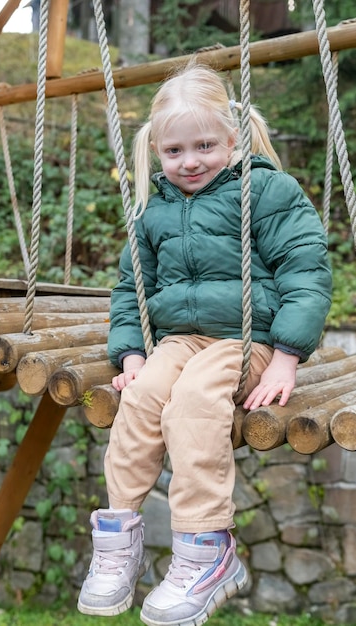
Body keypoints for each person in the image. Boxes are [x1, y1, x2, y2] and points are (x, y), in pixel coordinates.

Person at [77, 62, 332, 626]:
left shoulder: (264, 190)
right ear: (157, 153)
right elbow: (130, 290)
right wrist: (132, 355)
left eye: (205, 145)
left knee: (193, 401)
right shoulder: (154, 209)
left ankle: (207, 548)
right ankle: (118, 537)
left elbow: (306, 270)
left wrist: (286, 356)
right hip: (179, 339)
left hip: (249, 339)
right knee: (142, 398)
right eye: (174, 151)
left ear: (232, 139)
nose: (190, 161)